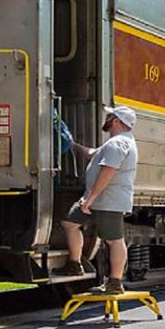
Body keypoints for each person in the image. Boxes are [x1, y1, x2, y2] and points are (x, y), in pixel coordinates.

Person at [52, 105, 138, 294]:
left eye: (109, 117)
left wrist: (90, 199)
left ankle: (115, 282)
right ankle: (74, 264)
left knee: (114, 240)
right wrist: (71, 143)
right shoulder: (116, 142)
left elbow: (108, 172)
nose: (106, 119)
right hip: (99, 199)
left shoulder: (118, 144)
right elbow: (92, 153)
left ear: (116, 121)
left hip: (108, 200)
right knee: (69, 223)